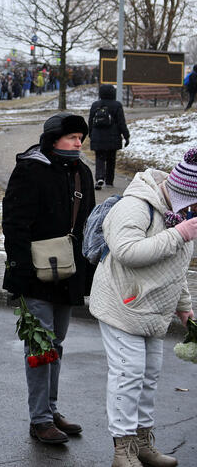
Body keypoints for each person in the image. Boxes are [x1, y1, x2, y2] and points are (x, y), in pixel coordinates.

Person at [89, 148, 196, 467]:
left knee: (148, 376)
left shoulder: (181, 215)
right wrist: (178, 234)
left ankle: (142, 443)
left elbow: (176, 267)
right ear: (185, 193)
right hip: (122, 304)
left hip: (153, 309)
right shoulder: (136, 206)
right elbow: (127, 252)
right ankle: (123, 450)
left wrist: (184, 307)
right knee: (128, 375)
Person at [2, 112, 96, 445]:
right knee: (40, 345)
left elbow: (88, 225)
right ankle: (40, 419)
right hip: (35, 274)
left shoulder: (82, 172)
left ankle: (51, 410)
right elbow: (14, 224)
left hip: (68, 273)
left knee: (56, 344)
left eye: (80, 138)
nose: (78, 143)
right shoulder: (31, 169)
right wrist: (20, 270)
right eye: (72, 137)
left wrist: (88, 271)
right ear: (54, 139)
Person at [88, 84, 129, 190]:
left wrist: (90, 134)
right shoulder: (117, 105)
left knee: (99, 158)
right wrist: (126, 136)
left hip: (98, 136)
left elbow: (90, 121)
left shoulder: (95, 105)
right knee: (111, 159)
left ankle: (99, 177)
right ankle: (109, 181)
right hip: (113, 137)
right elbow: (121, 122)